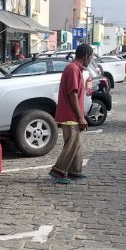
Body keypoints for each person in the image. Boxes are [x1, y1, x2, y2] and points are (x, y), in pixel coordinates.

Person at [48, 43, 93, 184]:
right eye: (90, 57)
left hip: (71, 114)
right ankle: (58, 171)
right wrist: (81, 117)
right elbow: (72, 94)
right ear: (86, 56)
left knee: (77, 144)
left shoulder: (75, 68)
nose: (90, 60)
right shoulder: (73, 69)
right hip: (70, 115)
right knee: (72, 144)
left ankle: (75, 171)